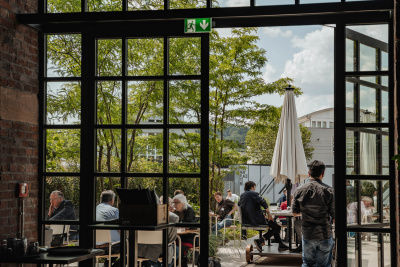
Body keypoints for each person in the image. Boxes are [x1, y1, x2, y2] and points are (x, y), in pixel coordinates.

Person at [292, 160, 335, 267]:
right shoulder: (329, 191)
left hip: (308, 234)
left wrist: (306, 211)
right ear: (323, 173)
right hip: (324, 233)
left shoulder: (299, 190)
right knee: (324, 265)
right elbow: (335, 216)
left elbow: (295, 213)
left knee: (307, 264)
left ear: (309, 173)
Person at [238, 181, 289, 252]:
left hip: (247, 221)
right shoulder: (252, 193)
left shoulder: (242, 195)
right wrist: (269, 214)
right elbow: (263, 202)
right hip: (255, 220)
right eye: (254, 187)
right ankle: (260, 240)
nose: (255, 189)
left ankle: (281, 244)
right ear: (252, 187)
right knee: (277, 227)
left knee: (274, 225)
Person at [96, 190, 120, 266]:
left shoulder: (93, 210)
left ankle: (106, 265)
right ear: (112, 200)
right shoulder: (114, 211)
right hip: (110, 247)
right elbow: (121, 230)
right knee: (130, 248)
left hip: (93, 247)